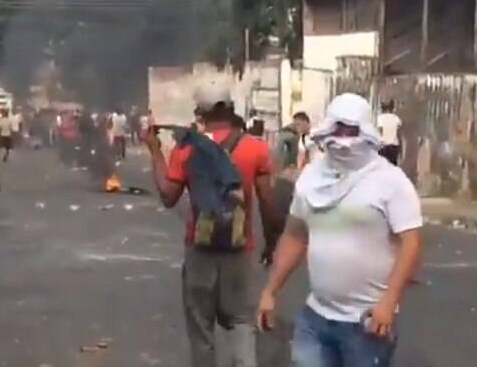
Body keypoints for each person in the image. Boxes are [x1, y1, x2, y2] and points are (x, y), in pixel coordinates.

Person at [257, 93, 423, 367]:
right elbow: (295, 236)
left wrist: (388, 302)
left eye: (351, 130)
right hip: (316, 318)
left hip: (367, 323)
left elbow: (411, 242)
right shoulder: (311, 178)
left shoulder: (391, 181)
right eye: (338, 129)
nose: (344, 139)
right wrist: (270, 291)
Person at [143, 83, 280, 367]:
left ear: (200, 113)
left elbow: (168, 197)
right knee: (242, 325)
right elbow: (268, 203)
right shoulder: (255, 148)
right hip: (240, 251)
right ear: (230, 110)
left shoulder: (187, 149)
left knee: (202, 332)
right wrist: (272, 243)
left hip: (200, 251)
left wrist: (155, 150)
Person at [377, 100, 403, 166]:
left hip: (383, 147)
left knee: (382, 168)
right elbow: (399, 135)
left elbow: (380, 133)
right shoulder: (396, 119)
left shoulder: (380, 118)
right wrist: (401, 151)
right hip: (394, 147)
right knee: (392, 168)